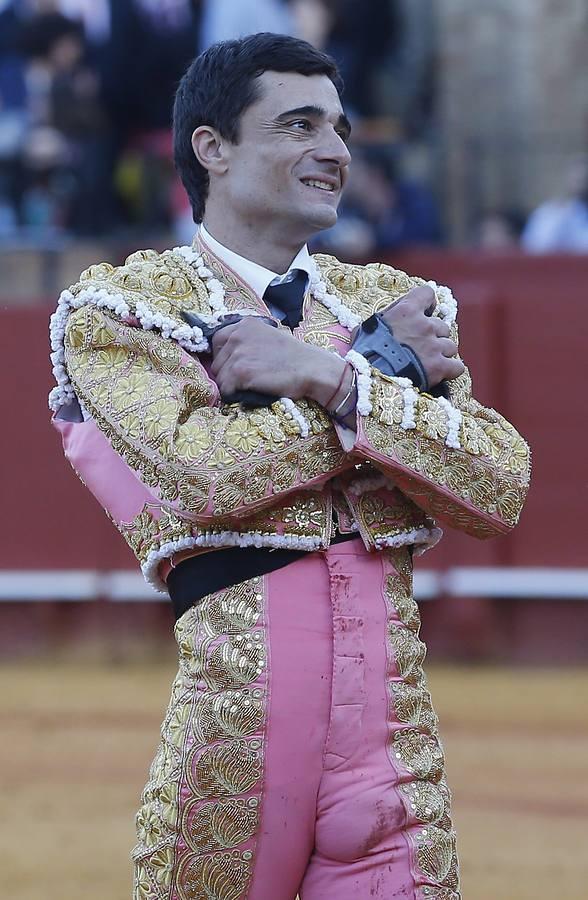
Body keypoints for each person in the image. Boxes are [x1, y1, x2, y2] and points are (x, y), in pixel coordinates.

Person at [49, 33, 530, 900]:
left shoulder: (388, 308)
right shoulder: (123, 310)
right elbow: (205, 477)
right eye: (300, 124)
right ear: (213, 148)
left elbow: (498, 485)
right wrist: (382, 384)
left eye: (340, 128)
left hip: (393, 764)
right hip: (233, 756)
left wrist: (333, 377)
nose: (336, 151)